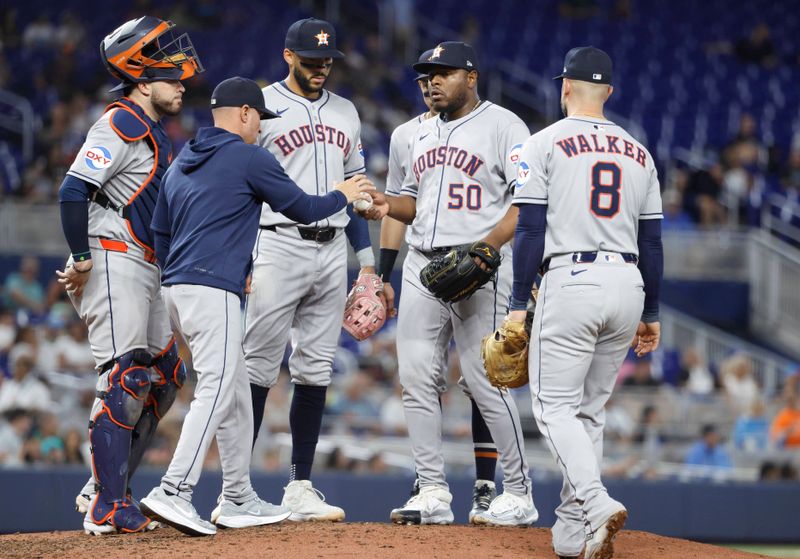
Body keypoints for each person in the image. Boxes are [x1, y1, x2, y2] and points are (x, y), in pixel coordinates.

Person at [138, 77, 375, 536]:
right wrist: (343, 195)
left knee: (237, 389)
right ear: (244, 113)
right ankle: (174, 490)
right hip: (213, 289)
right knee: (219, 388)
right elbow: (305, 208)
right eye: (258, 119)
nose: (260, 128)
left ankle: (239, 495)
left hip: (175, 290)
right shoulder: (249, 156)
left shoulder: (183, 157)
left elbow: (159, 232)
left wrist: (178, 273)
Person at [366, 41, 536, 526]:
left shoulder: (506, 126)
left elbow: (526, 202)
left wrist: (489, 247)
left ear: (471, 76)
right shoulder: (412, 135)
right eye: (427, 74)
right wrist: (383, 204)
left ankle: (519, 492)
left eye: (444, 73)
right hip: (423, 264)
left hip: (480, 266)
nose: (433, 82)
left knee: (487, 382)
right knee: (416, 378)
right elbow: (409, 202)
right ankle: (433, 492)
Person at [506, 47, 663, 559]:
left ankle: (595, 503)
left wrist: (514, 303)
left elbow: (529, 229)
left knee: (553, 409)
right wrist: (653, 312)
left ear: (565, 87)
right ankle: (575, 534)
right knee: (589, 413)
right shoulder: (640, 151)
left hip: (571, 278)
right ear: (610, 93)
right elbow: (654, 243)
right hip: (628, 282)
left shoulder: (542, 142)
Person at [55, 16, 203, 536]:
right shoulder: (121, 123)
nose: (182, 82)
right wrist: (82, 257)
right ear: (142, 82)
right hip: (113, 257)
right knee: (127, 376)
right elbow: (73, 189)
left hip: (143, 263)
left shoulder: (151, 130)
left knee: (166, 375)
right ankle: (107, 506)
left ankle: (106, 486)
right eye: (170, 77)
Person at [240, 17, 383, 522]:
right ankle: (236, 487)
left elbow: (357, 192)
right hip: (277, 244)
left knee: (315, 369)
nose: (320, 68)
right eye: (311, 60)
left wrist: (368, 267)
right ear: (287, 55)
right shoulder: (258, 106)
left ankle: (300, 485)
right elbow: (239, 188)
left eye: (327, 60)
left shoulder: (346, 111)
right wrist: (242, 258)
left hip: (331, 253)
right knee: (257, 366)